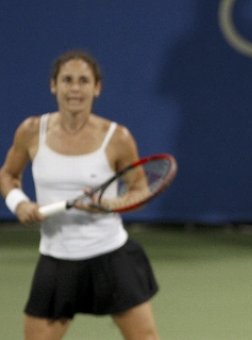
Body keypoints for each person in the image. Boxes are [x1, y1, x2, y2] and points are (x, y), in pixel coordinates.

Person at [0, 50, 160, 340]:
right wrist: (19, 203)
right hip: (56, 258)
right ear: (54, 85)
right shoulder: (31, 131)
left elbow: (139, 190)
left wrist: (108, 205)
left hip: (110, 256)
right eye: (67, 80)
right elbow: (8, 175)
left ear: (96, 88)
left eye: (84, 81)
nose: (75, 88)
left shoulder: (118, 137)